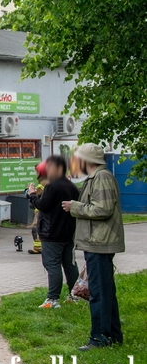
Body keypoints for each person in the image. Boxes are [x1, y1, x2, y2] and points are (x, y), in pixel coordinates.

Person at [62, 143, 126, 351]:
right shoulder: (97, 177)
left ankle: (99, 338)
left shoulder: (102, 177)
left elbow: (103, 209)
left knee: (99, 292)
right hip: (97, 242)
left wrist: (75, 207)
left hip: (100, 243)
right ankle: (113, 336)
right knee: (105, 291)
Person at [27, 155, 79, 309]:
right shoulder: (71, 186)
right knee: (69, 265)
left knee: (52, 265)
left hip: (52, 233)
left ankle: (52, 299)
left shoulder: (52, 186)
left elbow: (44, 205)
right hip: (68, 232)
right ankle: (75, 295)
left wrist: (31, 195)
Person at [24, 161, 49, 255]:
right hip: (40, 209)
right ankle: (39, 247)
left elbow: (33, 194)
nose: (36, 173)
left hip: (39, 210)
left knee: (36, 228)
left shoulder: (43, 183)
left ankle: (38, 248)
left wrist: (29, 191)